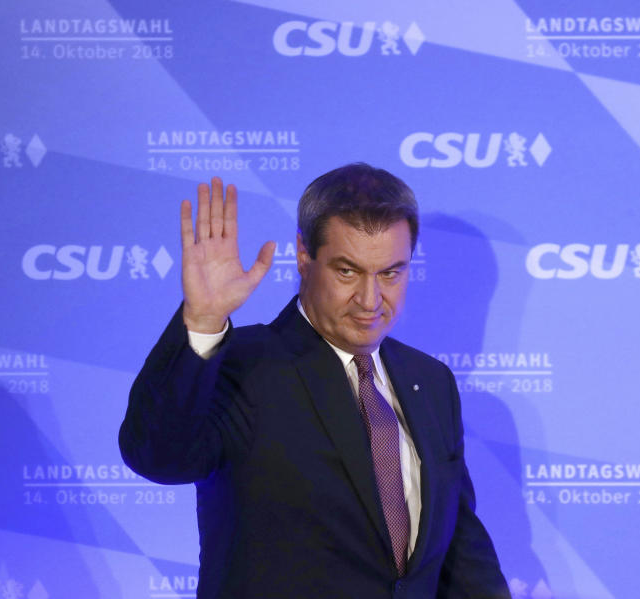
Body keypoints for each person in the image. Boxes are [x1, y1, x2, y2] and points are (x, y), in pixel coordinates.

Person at [119, 163, 510, 598]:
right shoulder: (244, 364)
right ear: (305, 257)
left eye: (390, 273)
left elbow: (460, 551)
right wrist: (204, 320)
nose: (370, 300)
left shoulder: (430, 381)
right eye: (348, 271)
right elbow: (158, 455)